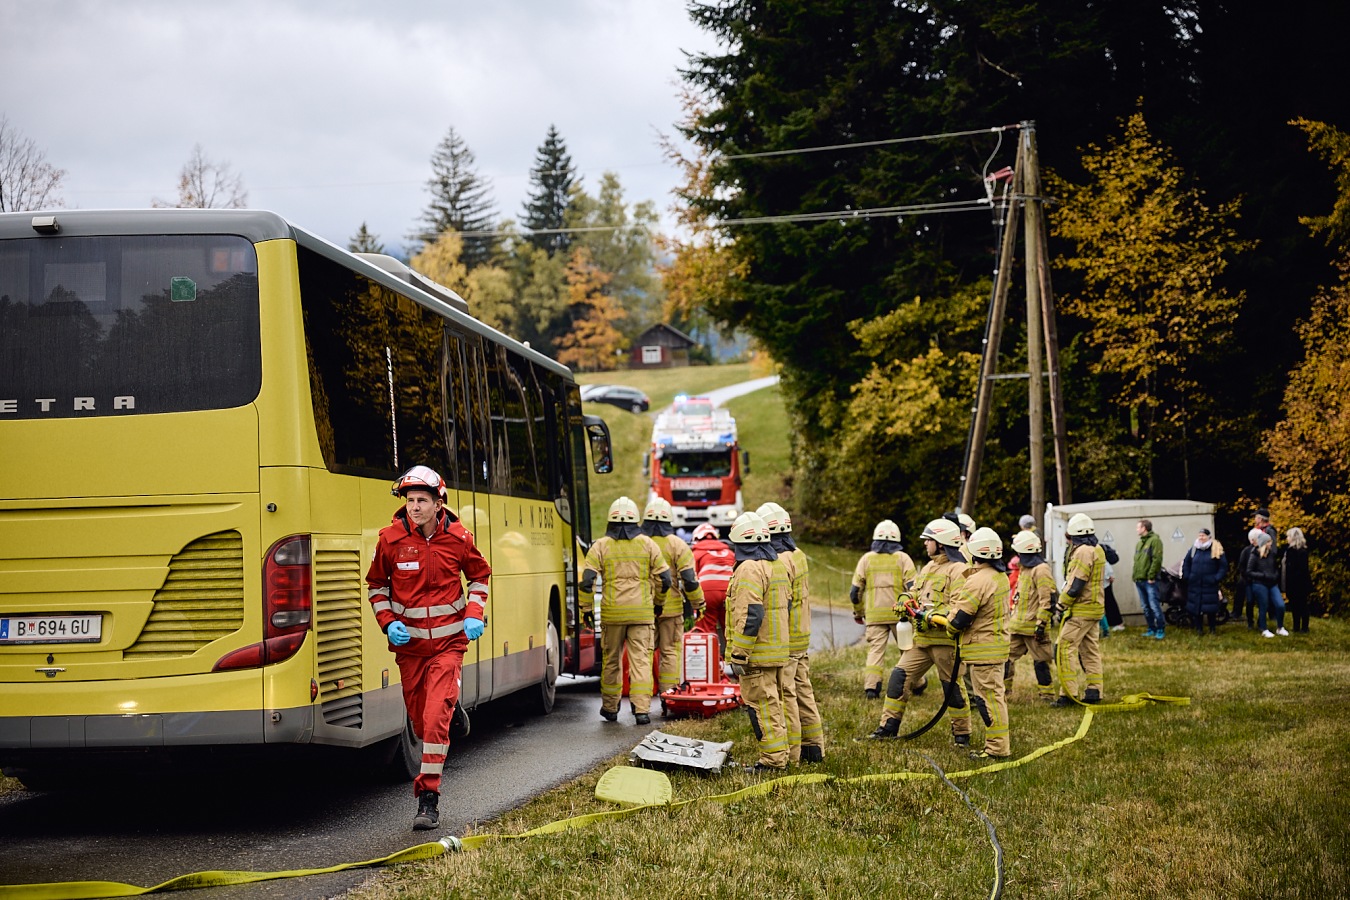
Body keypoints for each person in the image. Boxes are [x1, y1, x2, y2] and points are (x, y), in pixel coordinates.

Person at [365, 465, 492, 831]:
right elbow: (376, 586)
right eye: (410, 500)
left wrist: (474, 613)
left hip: (449, 645)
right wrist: (388, 622)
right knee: (422, 724)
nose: (414, 507)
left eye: (422, 500)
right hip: (411, 650)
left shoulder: (459, 539)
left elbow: (479, 576)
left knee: (434, 721)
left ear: (439, 504)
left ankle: (428, 798)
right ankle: (452, 712)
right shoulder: (390, 540)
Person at [870, 518, 971, 747]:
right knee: (899, 677)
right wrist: (904, 599)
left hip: (945, 643)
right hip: (922, 641)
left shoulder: (959, 570)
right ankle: (888, 728)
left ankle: (962, 735)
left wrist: (929, 617)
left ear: (941, 543)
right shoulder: (929, 567)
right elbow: (915, 591)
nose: (925, 544)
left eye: (929, 540)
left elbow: (958, 607)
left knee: (952, 689)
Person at [580, 497, 672, 725]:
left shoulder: (600, 546)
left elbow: (587, 581)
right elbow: (665, 578)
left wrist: (586, 608)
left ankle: (610, 708)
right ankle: (641, 710)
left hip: (612, 614)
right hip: (642, 614)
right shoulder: (647, 544)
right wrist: (658, 603)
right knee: (641, 661)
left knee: (611, 660)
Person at [724, 511, 793, 771]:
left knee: (761, 707)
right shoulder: (777, 565)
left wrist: (739, 654)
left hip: (757, 654)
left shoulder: (748, 569)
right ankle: (782, 755)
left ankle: (773, 761)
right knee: (775, 705)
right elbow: (786, 605)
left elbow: (751, 615)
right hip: (777, 651)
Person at [758, 502, 824, 764]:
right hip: (801, 637)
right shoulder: (798, 554)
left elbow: (781, 604)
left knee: (786, 697)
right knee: (803, 691)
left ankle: (793, 754)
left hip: (785, 640)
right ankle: (814, 748)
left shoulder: (779, 561)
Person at [947, 527, 1012, 759]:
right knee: (995, 698)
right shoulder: (999, 576)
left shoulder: (977, 581)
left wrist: (948, 626)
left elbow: (960, 618)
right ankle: (998, 746)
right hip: (996, 647)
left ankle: (997, 749)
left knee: (988, 701)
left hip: (983, 650)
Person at [642, 498, 705, 696]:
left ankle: (641, 699)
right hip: (671, 608)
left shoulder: (639, 543)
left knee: (643, 654)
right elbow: (689, 580)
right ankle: (668, 695)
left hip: (643, 608)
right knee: (669, 651)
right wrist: (698, 603)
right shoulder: (677, 545)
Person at [851, 519, 918, 698]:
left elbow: (855, 592)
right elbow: (914, 587)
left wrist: (858, 612)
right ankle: (917, 683)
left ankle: (872, 688)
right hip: (900, 615)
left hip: (874, 615)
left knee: (875, 652)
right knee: (908, 651)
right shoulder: (903, 558)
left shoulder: (866, 559)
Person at [1054, 513, 1106, 706]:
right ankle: (1094, 690)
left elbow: (1076, 584)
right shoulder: (1097, 549)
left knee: (1063, 648)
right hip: (1094, 608)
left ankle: (1068, 694)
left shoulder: (1082, 552)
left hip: (1082, 610)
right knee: (1090, 650)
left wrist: (1061, 604)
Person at [1005, 530, 1057, 702]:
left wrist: (1041, 624)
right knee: (1005, 658)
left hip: (1034, 628)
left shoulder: (1041, 570)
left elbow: (1047, 599)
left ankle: (1047, 695)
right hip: (1017, 626)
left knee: (1041, 662)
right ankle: (1003, 692)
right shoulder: (1024, 569)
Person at [691, 523, 735, 643]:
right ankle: (731, 654)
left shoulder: (696, 553)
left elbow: (692, 577)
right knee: (730, 629)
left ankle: (710, 653)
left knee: (706, 630)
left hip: (708, 593)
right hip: (729, 591)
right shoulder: (729, 552)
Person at [1183, 527, 1228, 635]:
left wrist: (1216, 578)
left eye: (1203, 536)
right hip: (1195, 584)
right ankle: (1199, 629)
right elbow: (1186, 563)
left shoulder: (1215, 548)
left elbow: (1223, 566)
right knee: (1197, 608)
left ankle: (1212, 629)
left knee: (1211, 608)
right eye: (1199, 535)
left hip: (1210, 584)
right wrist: (1188, 576)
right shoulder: (1194, 549)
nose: (1201, 538)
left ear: (1208, 537)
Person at [1245, 529, 1286, 638]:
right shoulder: (1254, 555)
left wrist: (1275, 575)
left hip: (1272, 583)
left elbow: (1275, 567)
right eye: (1268, 542)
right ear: (1264, 543)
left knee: (1280, 605)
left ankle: (1280, 627)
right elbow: (1249, 571)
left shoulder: (1271, 554)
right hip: (1259, 583)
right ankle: (1263, 628)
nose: (1271, 544)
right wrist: (1263, 575)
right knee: (1263, 606)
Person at [1133, 519, 1166, 639]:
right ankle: (1151, 628)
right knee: (1145, 607)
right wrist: (1135, 576)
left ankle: (1160, 629)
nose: (1136, 529)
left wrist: (1151, 576)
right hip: (1139, 579)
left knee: (1154, 605)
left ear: (1144, 528)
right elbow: (1137, 561)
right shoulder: (1139, 543)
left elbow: (1157, 560)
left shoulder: (1155, 541)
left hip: (1149, 581)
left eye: (1138, 527)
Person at [1283, 527, 1312, 633]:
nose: (1287, 538)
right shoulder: (1291, 551)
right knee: (1295, 605)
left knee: (1302, 605)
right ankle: (1296, 626)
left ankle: (1304, 627)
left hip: (1299, 583)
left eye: (1288, 536)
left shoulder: (1300, 552)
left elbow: (1302, 570)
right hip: (1294, 582)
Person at [1234, 531, 1257, 628]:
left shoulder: (1263, 550)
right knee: (1250, 600)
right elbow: (1241, 566)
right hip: (1248, 580)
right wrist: (1247, 577)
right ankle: (1250, 621)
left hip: (1259, 580)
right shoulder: (1246, 551)